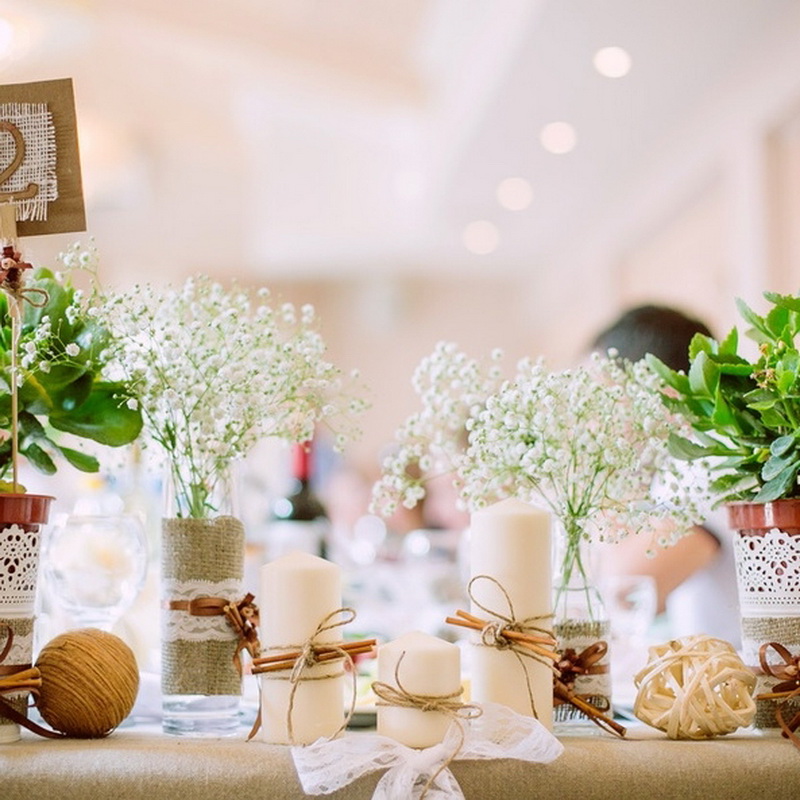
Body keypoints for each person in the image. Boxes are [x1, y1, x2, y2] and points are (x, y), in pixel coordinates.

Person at [590, 304, 740, 648]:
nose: (594, 417)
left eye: (601, 391)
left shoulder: (707, 457)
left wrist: (598, 470)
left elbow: (627, 592)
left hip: (739, 676)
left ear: (654, 384)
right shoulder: (696, 453)